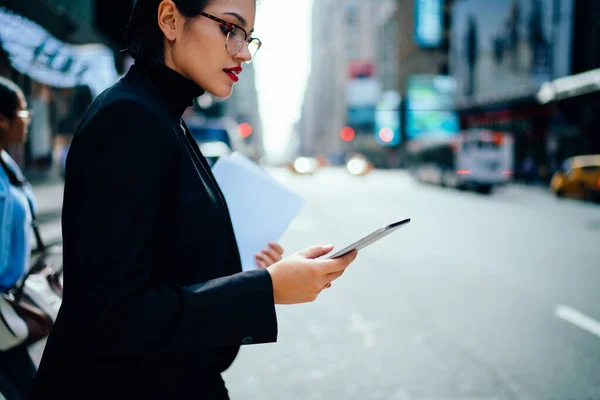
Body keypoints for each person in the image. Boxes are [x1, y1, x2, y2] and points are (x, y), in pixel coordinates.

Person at [29, 0, 358, 398]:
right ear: (169, 19)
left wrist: (247, 267)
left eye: (249, 37)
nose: (242, 52)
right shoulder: (129, 120)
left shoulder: (164, 118)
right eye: (230, 29)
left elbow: (166, 266)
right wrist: (265, 288)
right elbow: (113, 314)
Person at [0, 77, 37, 400]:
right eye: (24, 114)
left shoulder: (7, 164)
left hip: (8, 304)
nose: (27, 121)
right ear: (2, 119)